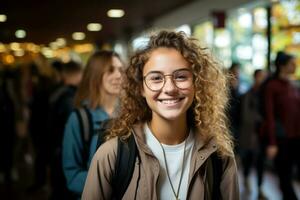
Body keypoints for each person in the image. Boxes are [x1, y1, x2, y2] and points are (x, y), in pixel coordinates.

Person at [82, 30, 239, 200]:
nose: (170, 88)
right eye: (156, 78)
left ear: (196, 83)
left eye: (181, 76)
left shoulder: (218, 156)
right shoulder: (112, 154)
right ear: (141, 88)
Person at [62, 50, 123, 198]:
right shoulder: (80, 119)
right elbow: (72, 175)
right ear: (95, 75)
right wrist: (107, 182)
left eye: (121, 70)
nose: (118, 75)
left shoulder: (131, 114)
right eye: (110, 70)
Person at [263, 51, 300, 200]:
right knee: (285, 179)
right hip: (282, 140)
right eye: (292, 64)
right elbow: (269, 116)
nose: (295, 66)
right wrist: (272, 143)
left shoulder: (293, 85)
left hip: (297, 138)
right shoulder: (272, 86)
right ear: (282, 66)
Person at [47, 61, 83, 199]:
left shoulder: (56, 93)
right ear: (78, 74)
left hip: (55, 150)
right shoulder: (71, 99)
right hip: (63, 152)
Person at [239, 69, 268, 199]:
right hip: (249, 135)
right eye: (260, 76)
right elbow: (246, 116)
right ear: (255, 77)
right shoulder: (248, 95)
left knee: (261, 162)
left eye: (264, 77)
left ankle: (260, 188)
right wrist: (260, 118)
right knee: (248, 161)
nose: (262, 79)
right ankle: (246, 178)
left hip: (262, 136)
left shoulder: (265, 94)